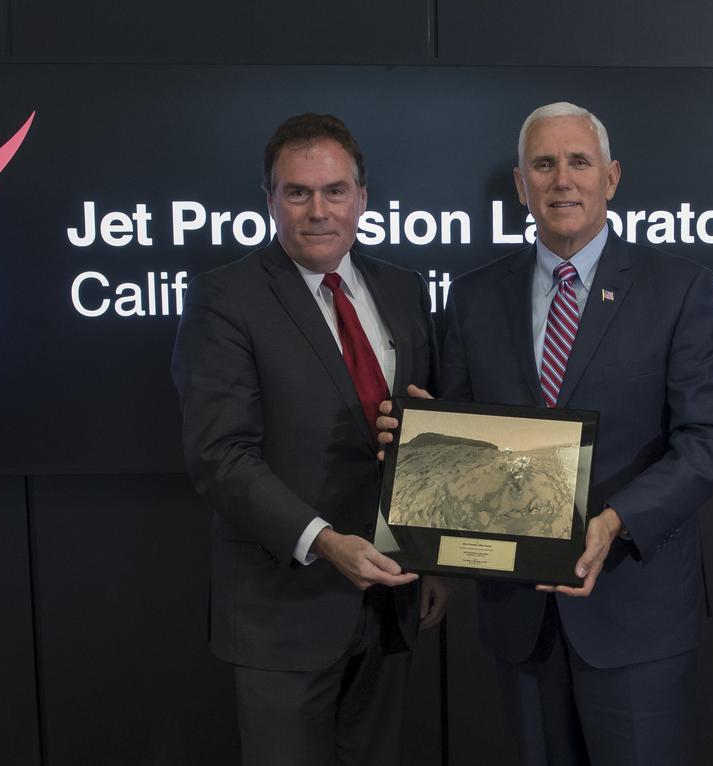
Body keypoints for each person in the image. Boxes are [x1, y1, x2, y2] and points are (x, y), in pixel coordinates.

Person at [383, 102, 713, 765]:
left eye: (578, 162)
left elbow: (712, 440)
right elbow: (467, 438)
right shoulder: (473, 297)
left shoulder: (676, 289)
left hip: (634, 610)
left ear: (611, 177)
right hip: (520, 619)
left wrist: (615, 522)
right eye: (543, 164)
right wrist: (425, 436)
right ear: (521, 185)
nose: (561, 180)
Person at [171, 112, 449, 766]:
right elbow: (219, 456)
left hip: (391, 601)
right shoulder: (225, 298)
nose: (317, 210)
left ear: (362, 199)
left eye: (334, 191)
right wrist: (326, 543)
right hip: (283, 614)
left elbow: (425, 430)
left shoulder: (403, 290)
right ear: (270, 200)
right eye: (297, 193)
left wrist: (433, 558)